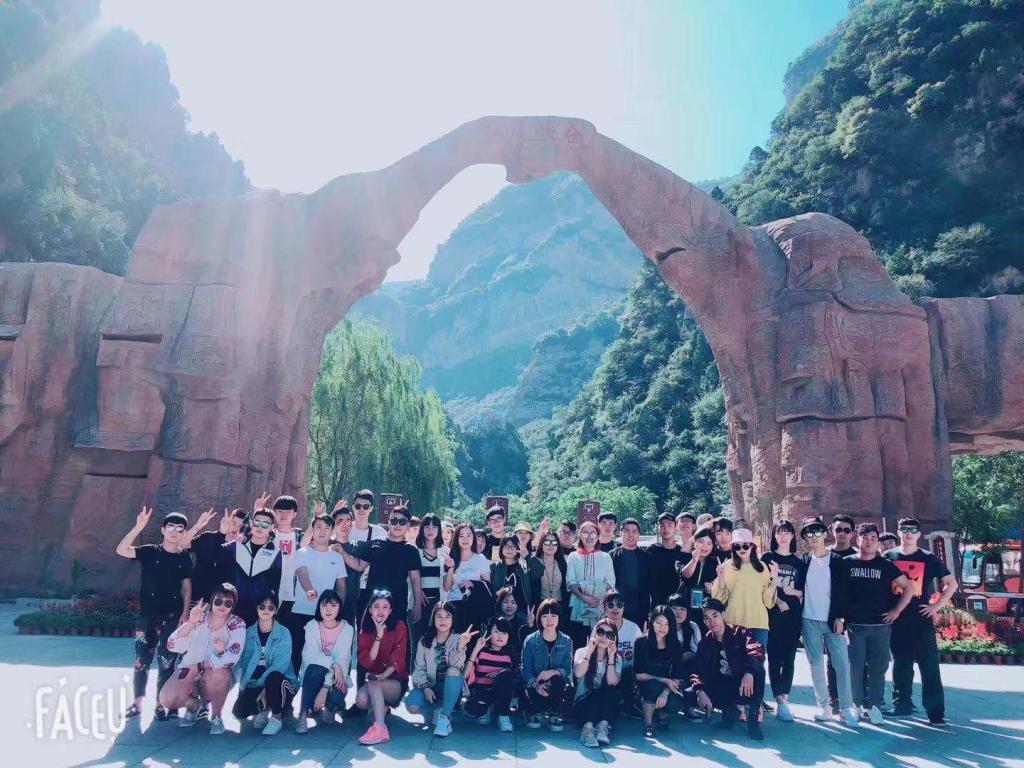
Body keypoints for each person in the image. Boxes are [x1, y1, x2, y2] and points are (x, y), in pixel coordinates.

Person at [115, 507, 194, 720]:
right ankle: (137, 703)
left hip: (172, 616)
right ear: (163, 529)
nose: (175, 531)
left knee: (167, 661)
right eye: (171, 527)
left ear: (184, 533)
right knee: (142, 659)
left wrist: (185, 612)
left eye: (180, 528)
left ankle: (160, 704)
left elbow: (187, 587)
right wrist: (138, 527)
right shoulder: (150, 551)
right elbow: (122, 550)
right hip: (147, 615)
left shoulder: (184, 557)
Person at [884, 517, 958, 726]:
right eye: (904, 529)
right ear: (898, 532)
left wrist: (936, 606)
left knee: (929, 666)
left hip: (921, 620)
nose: (908, 533)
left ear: (918, 534)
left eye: (912, 530)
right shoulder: (889, 556)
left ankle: (936, 714)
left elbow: (951, 583)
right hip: (897, 619)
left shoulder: (928, 558)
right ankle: (902, 705)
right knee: (901, 664)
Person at [839, 523, 915, 724]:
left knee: (878, 668)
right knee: (855, 668)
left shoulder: (886, 566)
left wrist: (896, 611)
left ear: (877, 542)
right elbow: (838, 592)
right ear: (858, 540)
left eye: (873, 538)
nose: (869, 542)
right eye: (865, 538)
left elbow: (909, 587)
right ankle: (855, 705)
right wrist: (839, 617)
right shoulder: (846, 563)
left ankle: (874, 707)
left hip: (880, 626)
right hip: (854, 626)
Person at [160, 584, 246, 735]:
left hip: (216, 676)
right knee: (167, 699)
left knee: (219, 673)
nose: (222, 606)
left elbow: (232, 657)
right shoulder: (199, 619)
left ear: (233, 605)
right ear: (212, 601)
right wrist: (191, 623)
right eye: (218, 601)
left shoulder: (237, 623)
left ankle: (216, 716)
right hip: (190, 669)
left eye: (228, 603)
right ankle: (194, 706)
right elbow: (172, 645)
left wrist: (200, 666)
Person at [799, 517, 858, 727]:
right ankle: (824, 706)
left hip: (832, 620)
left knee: (841, 664)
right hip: (809, 619)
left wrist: (842, 618)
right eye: (809, 533)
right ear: (805, 538)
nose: (814, 537)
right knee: (815, 664)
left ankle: (846, 708)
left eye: (817, 532)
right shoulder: (804, 560)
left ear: (825, 534)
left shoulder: (837, 561)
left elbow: (846, 593)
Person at [689, 598, 765, 741]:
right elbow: (696, 670)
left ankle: (753, 723)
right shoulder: (705, 643)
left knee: (759, 672)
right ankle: (730, 714)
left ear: (723, 614)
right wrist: (700, 691)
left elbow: (757, 650)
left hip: (743, 683)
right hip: (723, 685)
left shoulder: (740, 632)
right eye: (707, 618)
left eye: (715, 616)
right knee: (690, 694)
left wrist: (749, 672)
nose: (712, 621)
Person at [341, 503, 424, 633]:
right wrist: (342, 553)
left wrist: (417, 605)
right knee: (370, 640)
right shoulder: (376, 543)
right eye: (394, 520)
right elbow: (359, 566)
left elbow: (415, 579)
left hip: (397, 605)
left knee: (396, 642)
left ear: (408, 526)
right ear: (388, 522)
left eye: (402, 522)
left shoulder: (411, 550)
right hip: (373, 604)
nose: (397, 525)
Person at [232, 591, 298, 735]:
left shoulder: (284, 633)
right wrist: (244, 686)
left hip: (280, 681)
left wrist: (265, 689)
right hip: (256, 681)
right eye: (262, 606)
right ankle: (263, 709)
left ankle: (276, 718)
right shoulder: (248, 633)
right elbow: (243, 663)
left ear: (276, 610)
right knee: (239, 711)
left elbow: (280, 665)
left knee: (273, 678)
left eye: (271, 607)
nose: (266, 610)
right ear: (256, 608)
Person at [290, 513, 348, 673]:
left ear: (332, 531)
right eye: (318, 527)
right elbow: (302, 573)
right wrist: (309, 590)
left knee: (320, 659)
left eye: (327, 528)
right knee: (296, 656)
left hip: (325, 617)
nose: (322, 531)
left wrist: (338, 611)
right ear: (312, 529)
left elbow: (341, 587)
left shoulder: (337, 557)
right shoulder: (302, 552)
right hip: (301, 612)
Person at [760, 520, 805, 723]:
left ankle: (784, 700)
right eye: (779, 532)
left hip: (793, 616)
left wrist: (792, 592)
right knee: (774, 657)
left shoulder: (799, 562)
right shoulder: (767, 558)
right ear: (774, 536)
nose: (783, 536)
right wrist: (778, 600)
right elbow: (762, 585)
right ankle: (779, 700)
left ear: (793, 536)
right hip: (773, 614)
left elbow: (804, 591)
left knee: (789, 658)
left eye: (787, 532)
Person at [406, 602, 473, 737]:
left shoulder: (458, 639)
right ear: (433, 619)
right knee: (412, 705)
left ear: (453, 620)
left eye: (447, 616)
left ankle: (444, 717)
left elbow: (456, 667)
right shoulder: (424, 640)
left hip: (450, 687)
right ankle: (436, 710)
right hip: (430, 686)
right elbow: (419, 668)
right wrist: (425, 687)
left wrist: (460, 646)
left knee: (452, 671)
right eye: (439, 616)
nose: (443, 620)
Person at [353, 589, 409, 744]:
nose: (381, 611)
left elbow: (398, 659)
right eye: (376, 606)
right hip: (375, 679)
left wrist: (383, 676)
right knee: (361, 700)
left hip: (394, 681)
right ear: (370, 609)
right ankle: (381, 709)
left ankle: (380, 729)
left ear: (390, 610)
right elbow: (367, 662)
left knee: (373, 683)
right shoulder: (365, 630)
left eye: (385, 607)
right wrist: (378, 636)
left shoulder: (399, 626)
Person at [295, 589, 353, 733]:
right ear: (318, 607)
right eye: (324, 605)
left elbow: (343, 661)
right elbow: (310, 657)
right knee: (314, 669)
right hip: (314, 676)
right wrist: (333, 664)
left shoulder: (347, 629)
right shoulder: (311, 626)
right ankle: (303, 714)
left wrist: (325, 688)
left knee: (338, 690)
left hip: (334, 679)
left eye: (333, 605)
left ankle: (329, 707)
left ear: (339, 607)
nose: (328, 609)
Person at [710, 527, 775, 651]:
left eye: (745, 545)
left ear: (752, 546)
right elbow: (719, 600)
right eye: (737, 546)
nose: (741, 549)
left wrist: (774, 581)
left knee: (756, 662)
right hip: (733, 623)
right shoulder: (727, 566)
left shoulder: (762, 567)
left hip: (758, 623)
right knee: (734, 662)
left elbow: (768, 602)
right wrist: (721, 579)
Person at [217, 506, 282, 625]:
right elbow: (218, 574)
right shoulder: (234, 547)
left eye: (265, 524)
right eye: (257, 523)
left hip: (257, 614)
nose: (260, 527)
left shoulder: (275, 553)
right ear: (251, 523)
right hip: (231, 610)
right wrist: (220, 533)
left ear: (272, 527)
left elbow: (274, 588)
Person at [521, 599, 574, 731]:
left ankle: (553, 713)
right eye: (545, 616)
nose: (549, 620)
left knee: (558, 680)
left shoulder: (566, 641)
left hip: (555, 686)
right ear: (539, 618)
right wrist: (535, 684)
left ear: (559, 618)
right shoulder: (531, 641)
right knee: (526, 687)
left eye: (553, 616)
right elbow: (525, 668)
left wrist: (554, 672)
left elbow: (567, 668)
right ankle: (534, 711)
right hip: (535, 684)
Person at [634, 605, 685, 738]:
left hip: (668, 686)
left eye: (667, 624)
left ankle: (661, 712)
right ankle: (648, 724)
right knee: (653, 686)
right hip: (646, 684)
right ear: (652, 622)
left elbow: (677, 677)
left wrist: (665, 693)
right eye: (659, 623)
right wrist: (663, 679)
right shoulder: (641, 642)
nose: (662, 628)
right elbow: (639, 675)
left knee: (675, 703)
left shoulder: (676, 645)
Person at [566, 521, 616, 648]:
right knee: (578, 644)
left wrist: (598, 599)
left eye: (593, 533)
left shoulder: (606, 557)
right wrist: (585, 598)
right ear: (580, 535)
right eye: (585, 533)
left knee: (600, 643)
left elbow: (610, 582)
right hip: (578, 607)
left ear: (598, 536)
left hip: (599, 606)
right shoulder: (573, 556)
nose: (589, 537)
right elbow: (570, 582)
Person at [573, 619, 622, 747]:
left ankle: (602, 727)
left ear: (614, 639)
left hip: (604, 703)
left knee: (612, 693)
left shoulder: (617, 659)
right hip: (584, 701)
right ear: (594, 632)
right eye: (600, 632)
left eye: (609, 634)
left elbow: (612, 682)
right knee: (591, 700)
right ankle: (587, 730)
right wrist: (589, 651)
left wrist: (611, 657)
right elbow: (578, 673)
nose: (604, 637)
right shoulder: (582, 652)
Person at [181, 507, 246, 603]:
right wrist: (197, 526)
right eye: (234, 523)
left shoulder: (242, 549)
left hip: (221, 604)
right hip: (195, 599)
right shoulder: (208, 537)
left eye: (240, 526)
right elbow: (181, 545)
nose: (236, 528)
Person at [464, 617, 517, 732]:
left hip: (499, 693)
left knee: (506, 676)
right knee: (475, 712)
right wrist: (476, 650)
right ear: (489, 633)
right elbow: (465, 675)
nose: (500, 636)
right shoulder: (482, 651)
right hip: (481, 691)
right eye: (496, 632)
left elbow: (514, 677)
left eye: (504, 633)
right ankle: (488, 708)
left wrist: (500, 674)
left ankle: (503, 715)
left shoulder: (510, 655)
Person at [443, 522, 492, 630]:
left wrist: (473, 584)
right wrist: (451, 568)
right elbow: (446, 588)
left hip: (474, 607)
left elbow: (488, 586)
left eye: (468, 535)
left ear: (473, 538)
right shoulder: (450, 558)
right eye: (461, 536)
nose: (465, 539)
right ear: (456, 538)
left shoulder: (480, 558)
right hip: (453, 607)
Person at [602, 590, 643, 717]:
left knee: (629, 670)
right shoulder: (599, 628)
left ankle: (629, 704)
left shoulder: (633, 628)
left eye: (619, 605)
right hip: (606, 670)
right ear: (604, 608)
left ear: (624, 608)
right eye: (610, 605)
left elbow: (641, 656)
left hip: (628, 672)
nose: (615, 608)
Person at [412, 513, 447, 651]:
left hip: (438, 604)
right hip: (419, 602)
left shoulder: (444, 552)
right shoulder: (415, 550)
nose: (431, 530)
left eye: (434, 527)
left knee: (436, 643)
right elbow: (410, 577)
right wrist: (418, 593)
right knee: (417, 642)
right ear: (422, 529)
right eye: (427, 527)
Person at [610, 518, 652, 627]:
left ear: (638, 535)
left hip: (640, 608)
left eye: (634, 531)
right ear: (620, 533)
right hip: (616, 608)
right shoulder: (611, 556)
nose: (631, 534)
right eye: (627, 531)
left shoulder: (646, 557)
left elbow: (651, 586)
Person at [492, 535, 543, 620]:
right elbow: (488, 592)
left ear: (518, 548)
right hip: (499, 613)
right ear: (501, 548)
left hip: (522, 613)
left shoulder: (524, 567)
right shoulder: (494, 567)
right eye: (506, 546)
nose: (510, 549)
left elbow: (540, 571)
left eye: (513, 546)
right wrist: (498, 594)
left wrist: (527, 557)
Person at [646, 512, 689, 609]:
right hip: (657, 603)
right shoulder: (652, 550)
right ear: (658, 527)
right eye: (662, 526)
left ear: (675, 527)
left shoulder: (681, 551)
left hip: (677, 603)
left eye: (670, 525)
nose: (666, 529)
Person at [678, 526, 718, 622]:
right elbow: (685, 575)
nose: (705, 546)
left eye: (709, 543)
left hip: (705, 608)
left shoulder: (715, 563)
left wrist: (712, 589)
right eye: (701, 542)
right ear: (694, 542)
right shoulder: (684, 556)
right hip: (684, 605)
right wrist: (694, 560)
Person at [533, 530, 569, 607]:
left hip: (559, 606)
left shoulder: (562, 564)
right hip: (540, 606)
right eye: (547, 542)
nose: (551, 545)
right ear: (541, 544)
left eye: (554, 542)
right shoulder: (535, 563)